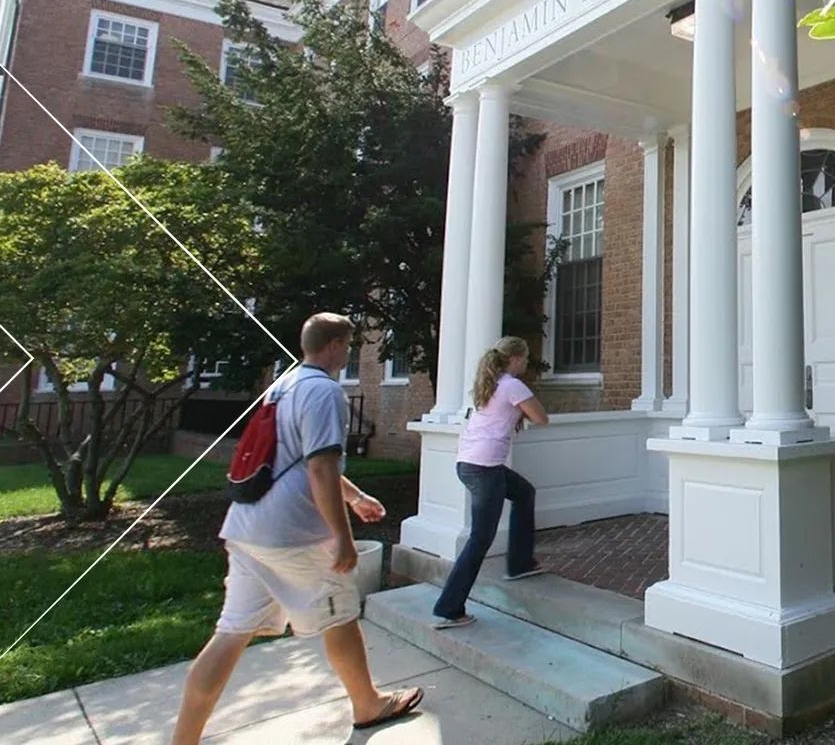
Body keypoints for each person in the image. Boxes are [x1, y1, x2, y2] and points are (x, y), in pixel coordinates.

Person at [170, 313, 422, 743]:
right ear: (335, 344)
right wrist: (343, 538)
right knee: (340, 613)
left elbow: (298, 459)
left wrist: (355, 496)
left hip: (247, 526)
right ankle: (368, 705)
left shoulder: (282, 386)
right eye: (348, 343)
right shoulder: (325, 392)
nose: (350, 351)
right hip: (294, 536)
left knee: (230, 633)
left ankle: (184, 739)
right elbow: (320, 466)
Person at [430, 336, 550, 628]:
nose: (526, 363)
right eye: (524, 358)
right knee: (480, 539)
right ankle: (450, 608)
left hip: (470, 463)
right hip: (485, 469)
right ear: (515, 359)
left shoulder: (491, 383)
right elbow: (541, 417)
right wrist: (521, 409)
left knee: (524, 493)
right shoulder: (512, 385)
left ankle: (520, 563)